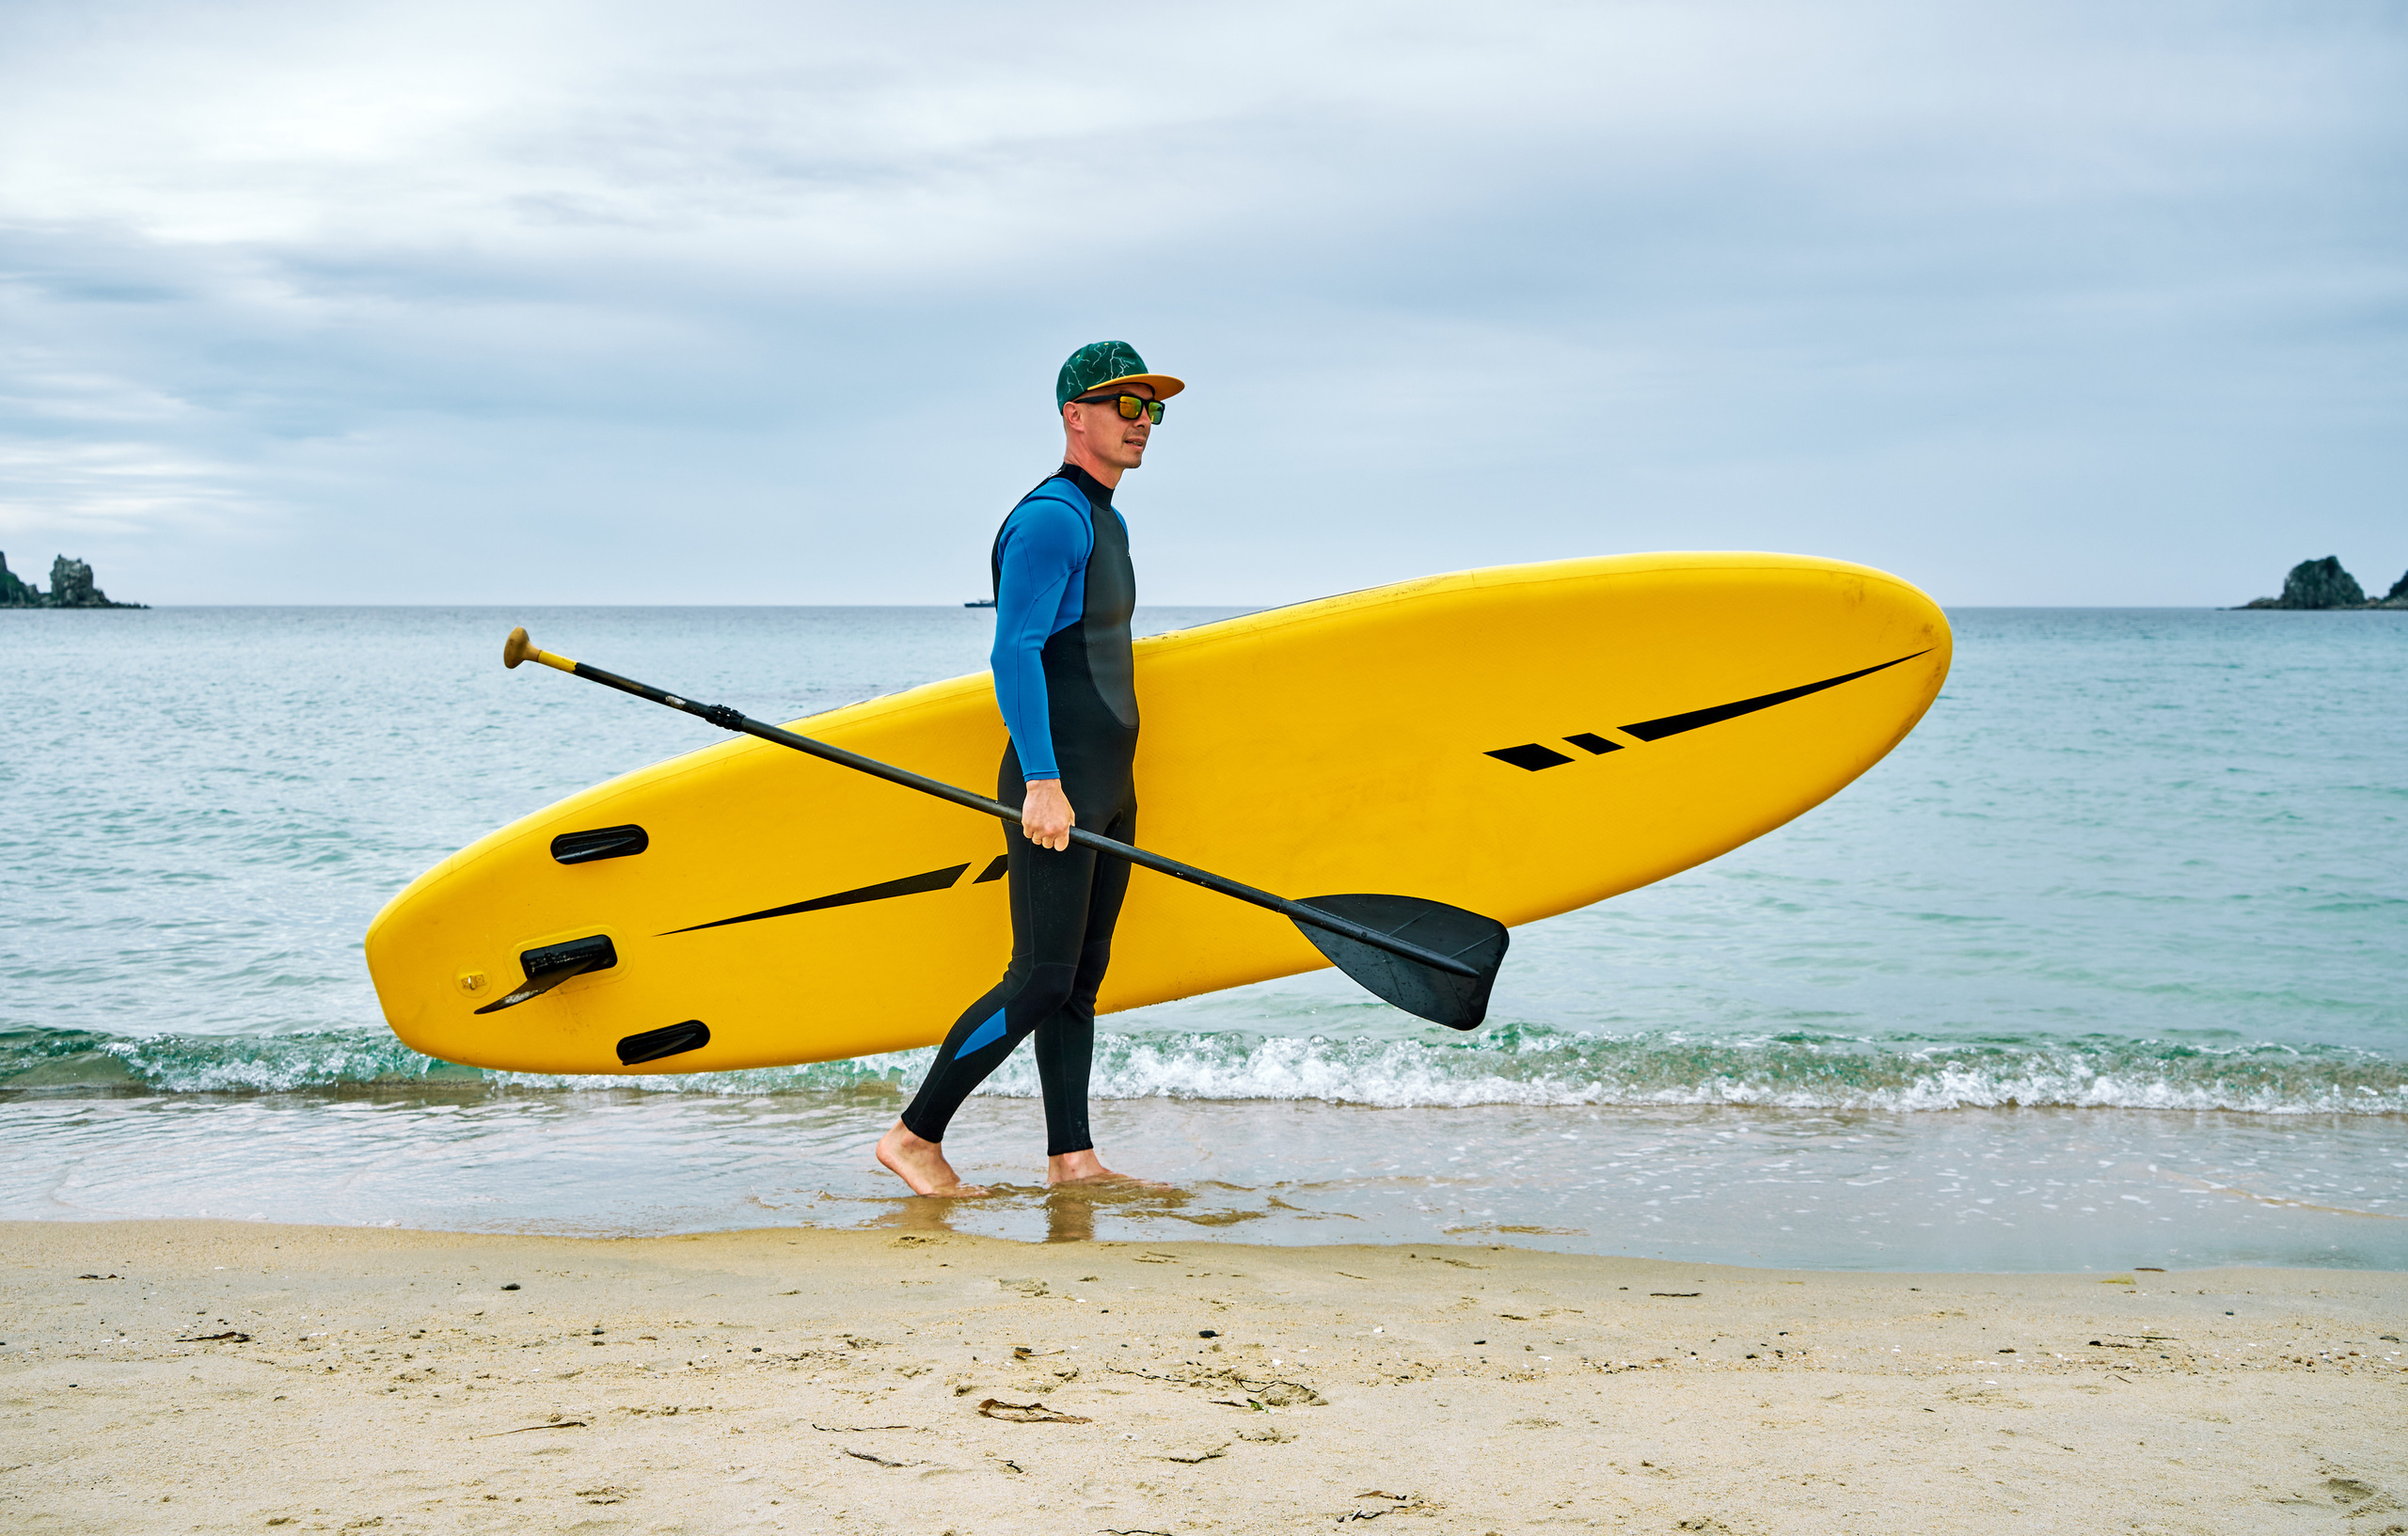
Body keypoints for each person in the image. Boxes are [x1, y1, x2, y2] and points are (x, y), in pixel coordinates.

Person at [875, 340, 1184, 1196]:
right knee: (1039, 976)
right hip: (1058, 784)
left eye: (1151, 407)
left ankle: (1071, 1157)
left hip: (1107, 783)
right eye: (1125, 405)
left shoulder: (1107, 518)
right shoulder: (1052, 516)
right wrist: (1044, 781)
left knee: (1081, 977)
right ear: (1074, 415)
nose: (1142, 422)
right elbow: (1014, 652)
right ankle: (914, 1135)